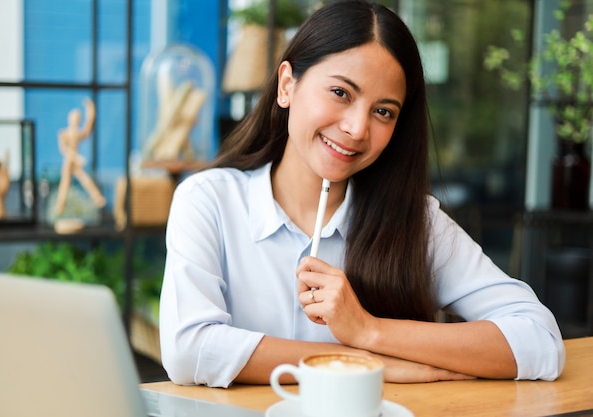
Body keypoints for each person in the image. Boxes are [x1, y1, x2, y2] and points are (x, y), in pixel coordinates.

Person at [159, 0, 565, 388]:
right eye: (340, 93)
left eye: (383, 111)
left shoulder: (413, 220)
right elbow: (189, 350)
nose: (357, 128)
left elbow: (538, 340)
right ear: (287, 85)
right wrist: (362, 365)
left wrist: (367, 329)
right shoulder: (209, 201)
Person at [55, 98, 106, 215]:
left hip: (75, 162)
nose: (76, 120)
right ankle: (60, 206)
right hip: (69, 162)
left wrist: (91, 109)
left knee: (85, 179)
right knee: (65, 184)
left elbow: (88, 128)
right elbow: (64, 149)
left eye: (78, 119)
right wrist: (75, 157)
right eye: (75, 118)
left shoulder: (78, 133)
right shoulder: (64, 133)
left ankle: (97, 198)